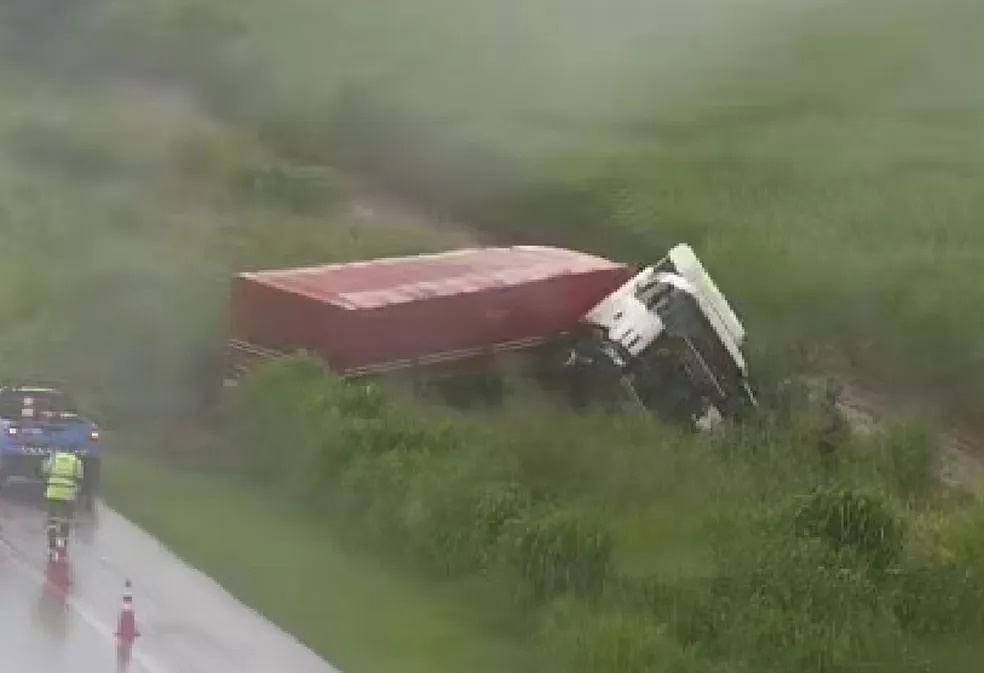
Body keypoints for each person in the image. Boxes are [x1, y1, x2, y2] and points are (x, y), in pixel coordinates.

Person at [40, 449, 84, 547]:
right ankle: (63, 543)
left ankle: (51, 544)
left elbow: (45, 471)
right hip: (68, 494)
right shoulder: (76, 461)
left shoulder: (54, 458)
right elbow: (80, 477)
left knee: (52, 519)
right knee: (65, 520)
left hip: (53, 493)